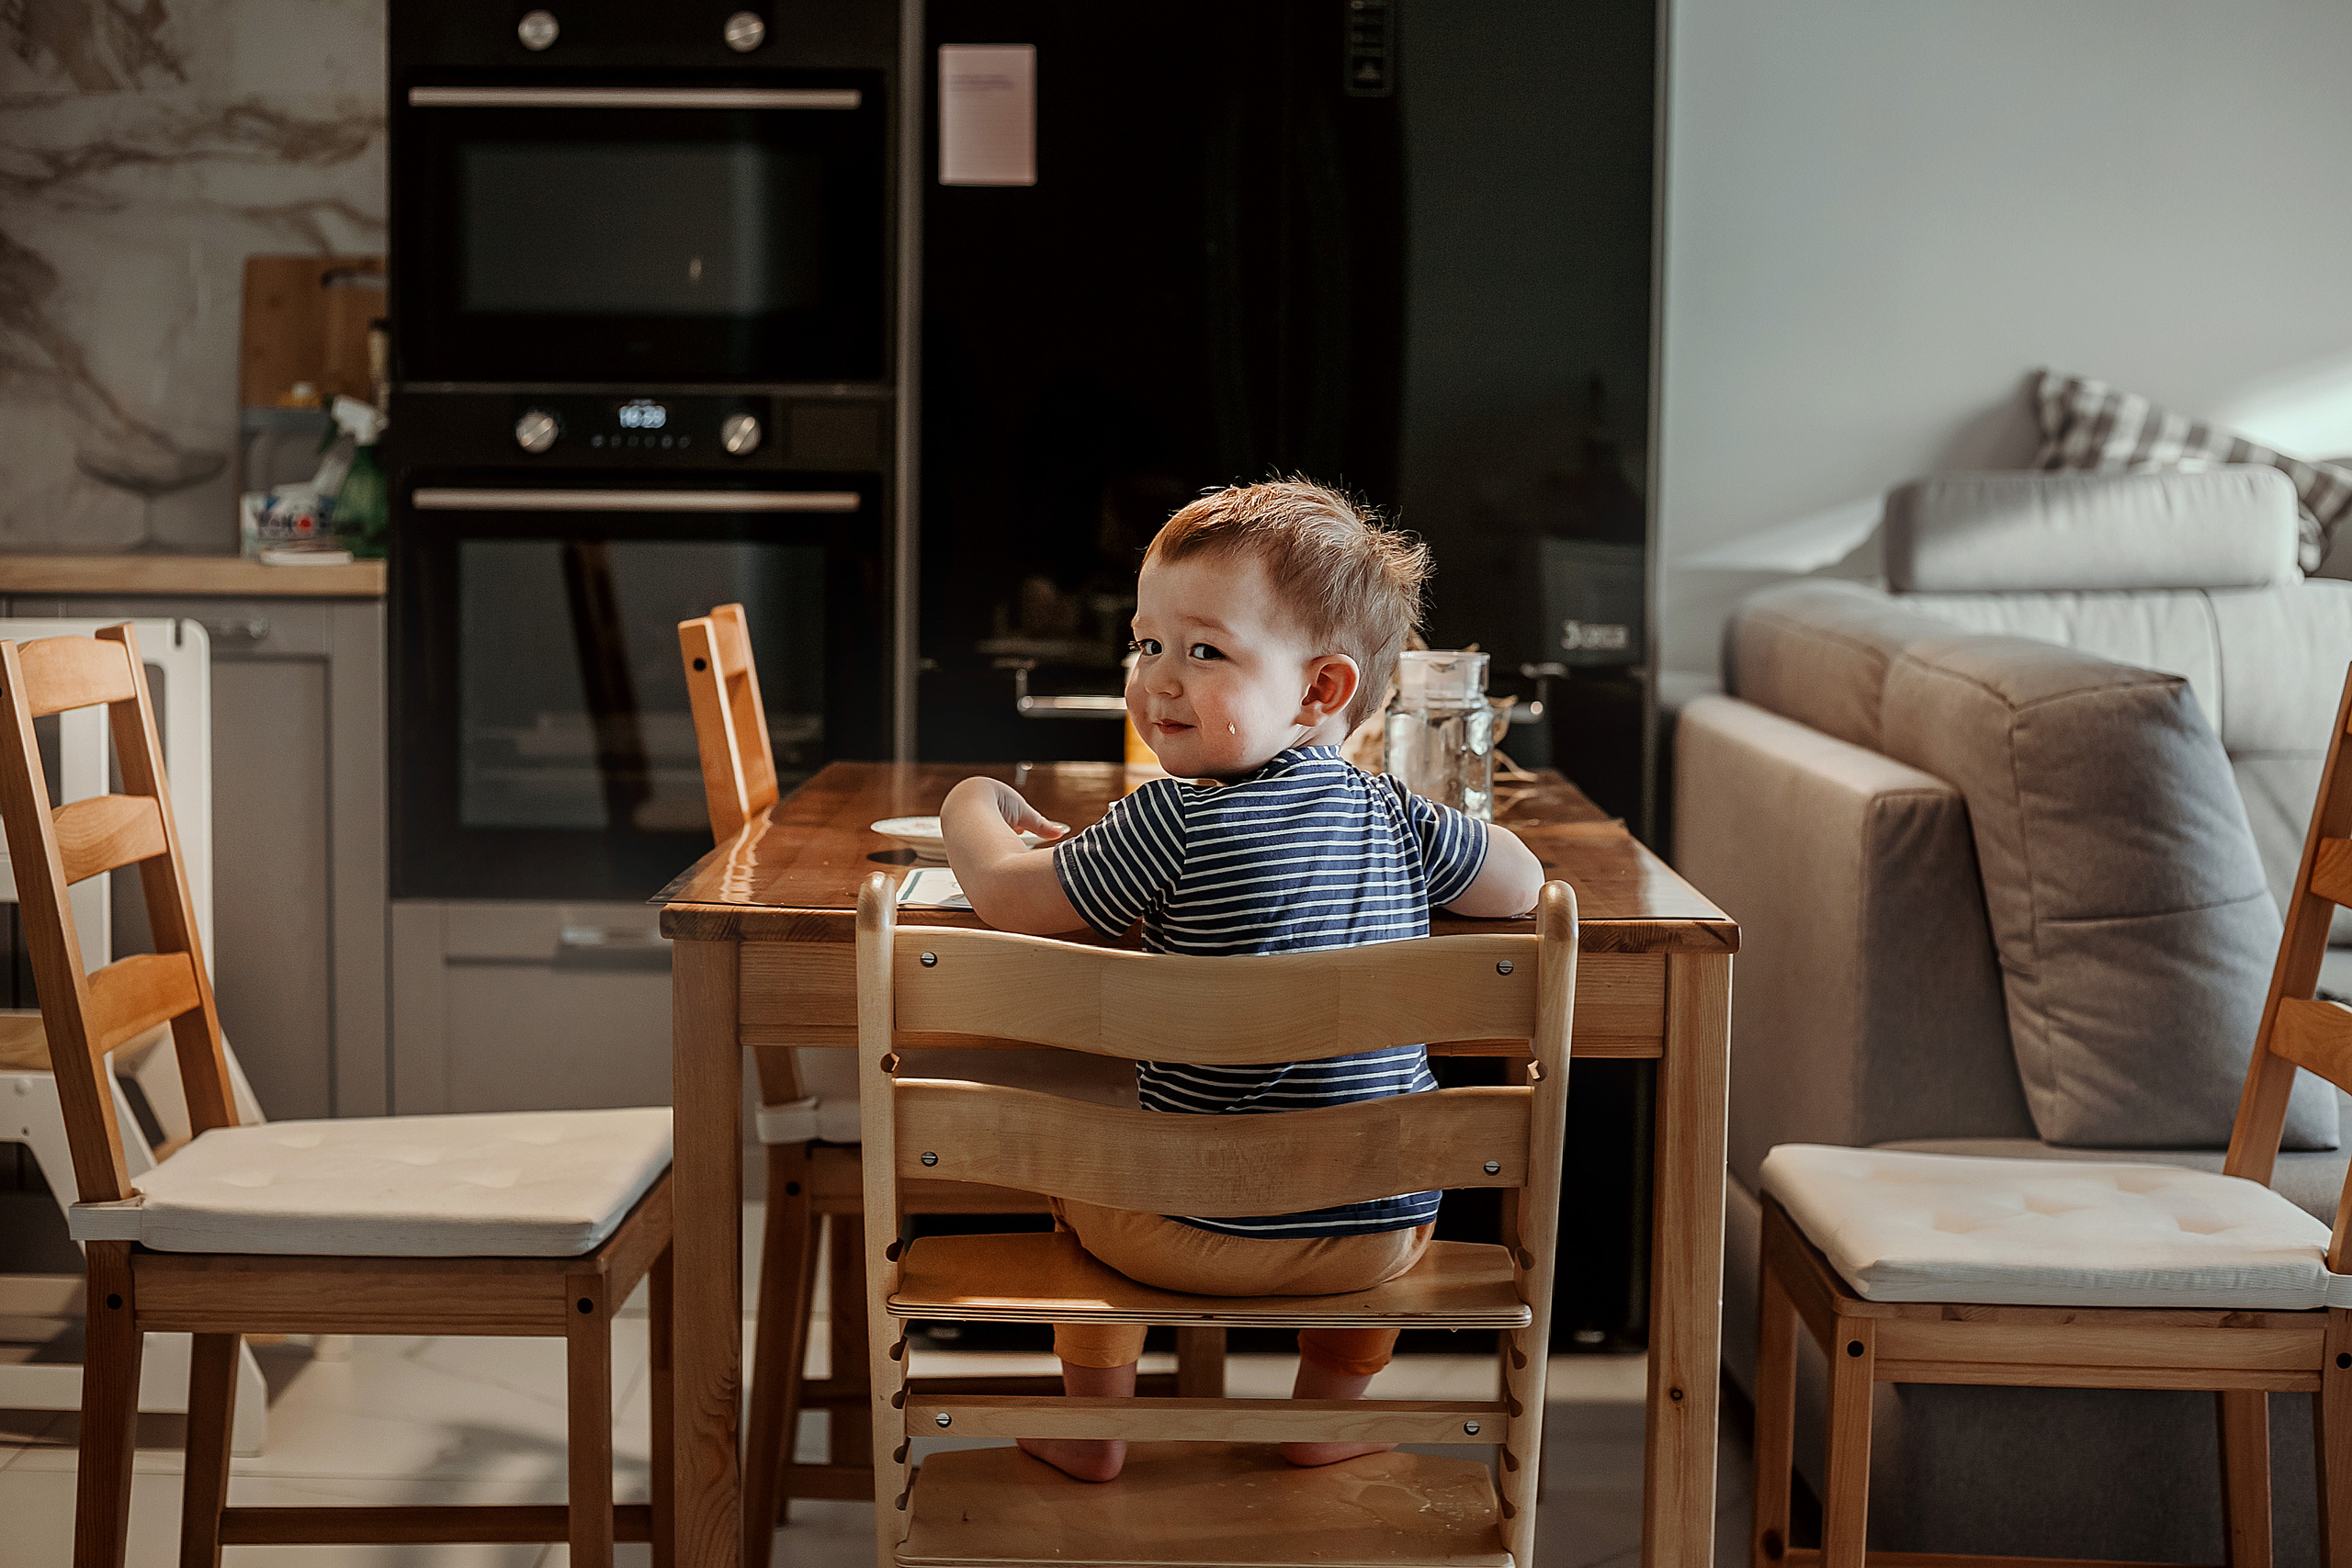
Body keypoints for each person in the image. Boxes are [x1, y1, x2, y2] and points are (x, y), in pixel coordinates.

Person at [939, 479, 1545, 1483]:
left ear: (1321, 691)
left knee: (1078, 1150)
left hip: (1182, 1229)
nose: (1158, 682)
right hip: (1377, 1235)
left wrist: (974, 803)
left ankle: (1098, 1424)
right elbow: (1520, 883)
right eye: (1147, 645)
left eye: (1203, 651)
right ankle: (1323, 1411)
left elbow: (1007, 897)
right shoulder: (1394, 814)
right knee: (1390, 1149)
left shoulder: (1169, 820)